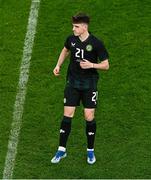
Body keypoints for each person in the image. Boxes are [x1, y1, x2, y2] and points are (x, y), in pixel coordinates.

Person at [51, 13, 109, 164]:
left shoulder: (96, 43)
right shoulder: (71, 39)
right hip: (72, 83)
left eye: (76, 26)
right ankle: (61, 150)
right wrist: (58, 65)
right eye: (73, 26)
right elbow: (65, 50)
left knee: (89, 116)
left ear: (84, 27)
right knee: (67, 115)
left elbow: (106, 65)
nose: (73, 29)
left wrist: (91, 65)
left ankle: (90, 151)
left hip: (89, 84)